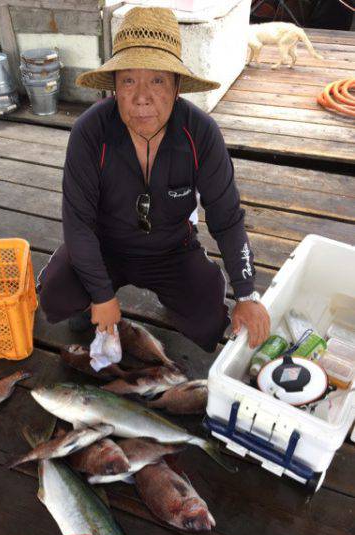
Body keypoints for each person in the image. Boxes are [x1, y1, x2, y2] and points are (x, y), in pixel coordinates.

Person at [37, 6, 270, 352]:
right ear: (114, 86)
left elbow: (227, 218)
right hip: (104, 246)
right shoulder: (89, 131)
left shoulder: (201, 133)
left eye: (158, 80)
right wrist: (101, 295)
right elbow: (78, 223)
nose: (142, 96)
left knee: (209, 320)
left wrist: (247, 291)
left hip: (171, 250)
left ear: (177, 87)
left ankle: (171, 301)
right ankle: (89, 302)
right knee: (55, 292)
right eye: (129, 79)